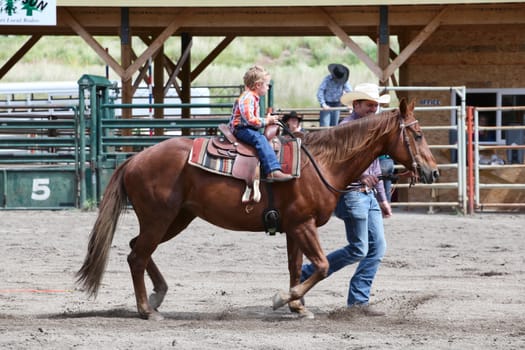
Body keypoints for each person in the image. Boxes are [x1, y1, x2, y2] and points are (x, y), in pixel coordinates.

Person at [301, 83, 392, 316]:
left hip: (368, 195)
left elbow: (375, 167)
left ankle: (358, 301)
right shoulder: (345, 128)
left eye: (376, 105)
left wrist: (382, 199)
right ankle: (308, 273)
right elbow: (338, 163)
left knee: (376, 248)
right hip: (352, 194)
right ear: (356, 105)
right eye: (370, 105)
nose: (374, 109)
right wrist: (362, 176)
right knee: (359, 248)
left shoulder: (373, 130)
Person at [229, 65, 293, 182]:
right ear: (258, 85)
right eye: (267, 84)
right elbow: (250, 120)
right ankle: (272, 170)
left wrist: (266, 119)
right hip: (241, 129)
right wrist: (267, 120)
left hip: (245, 127)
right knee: (260, 140)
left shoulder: (252, 97)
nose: (268, 87)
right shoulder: (248, 98)